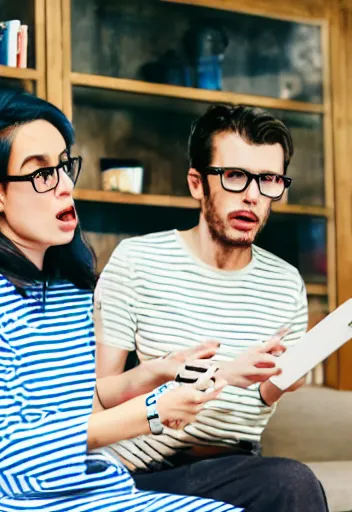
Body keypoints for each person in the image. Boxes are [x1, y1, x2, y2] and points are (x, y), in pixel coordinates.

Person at [0, 90, 245, 512]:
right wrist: (153, 411)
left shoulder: (66, 293)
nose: (64, 185)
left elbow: (70, 407)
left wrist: (153, 374)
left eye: (63, 165)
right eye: (40, 173)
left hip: (81, 496)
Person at [95, 104, 328, 511]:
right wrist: (210, 373)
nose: (253, 196)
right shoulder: (136, 261)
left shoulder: (286, 283)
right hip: (138, 470)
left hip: (234, 467)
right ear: (197, 183)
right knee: (292, 483)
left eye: (269, 180)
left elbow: (261, 398)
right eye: (236, 176)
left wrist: (284, 379)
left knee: (291, 483)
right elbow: (101, 394)